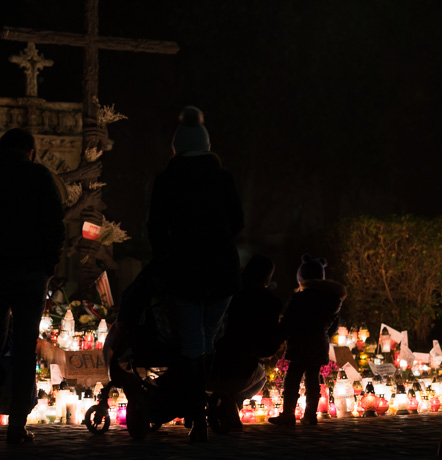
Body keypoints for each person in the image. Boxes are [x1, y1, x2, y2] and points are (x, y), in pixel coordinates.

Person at [0, 128, 65, 444]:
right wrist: (49, 266)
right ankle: (17, 426)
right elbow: (54, 226)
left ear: (1, 149)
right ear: (31, 151)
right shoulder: (41, 177)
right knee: (23, 351)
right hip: (30, 273)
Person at [147, 106, 244, 442]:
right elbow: (238, 222)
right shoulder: (223, 178)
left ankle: (195, 414)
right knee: (207, 336)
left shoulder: (167, 180)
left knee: (191, 340)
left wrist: (166, 258)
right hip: (221, 270)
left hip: (183, 270)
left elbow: (156, 228)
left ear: (176, 146)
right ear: (206, 145)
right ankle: (203, 404)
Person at [268, 254, 347, 426]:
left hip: (300, 341)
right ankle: (310, 414)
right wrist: (324, 334)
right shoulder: (333, 299)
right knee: (313, 377)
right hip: (319, 342)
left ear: (302, 278)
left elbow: (288, 321)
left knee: (293, 377)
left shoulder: (300, 298)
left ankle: (288, 413)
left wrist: (276, 340)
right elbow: (333, 327)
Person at [209, 254, 282, 431]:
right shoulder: (268, 300)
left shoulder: (227, 294)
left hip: (204, 367)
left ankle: (227, 405)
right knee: (261, 376)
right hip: (238, 371)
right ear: (267, 277)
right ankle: (232, 405)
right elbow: (266, 349)